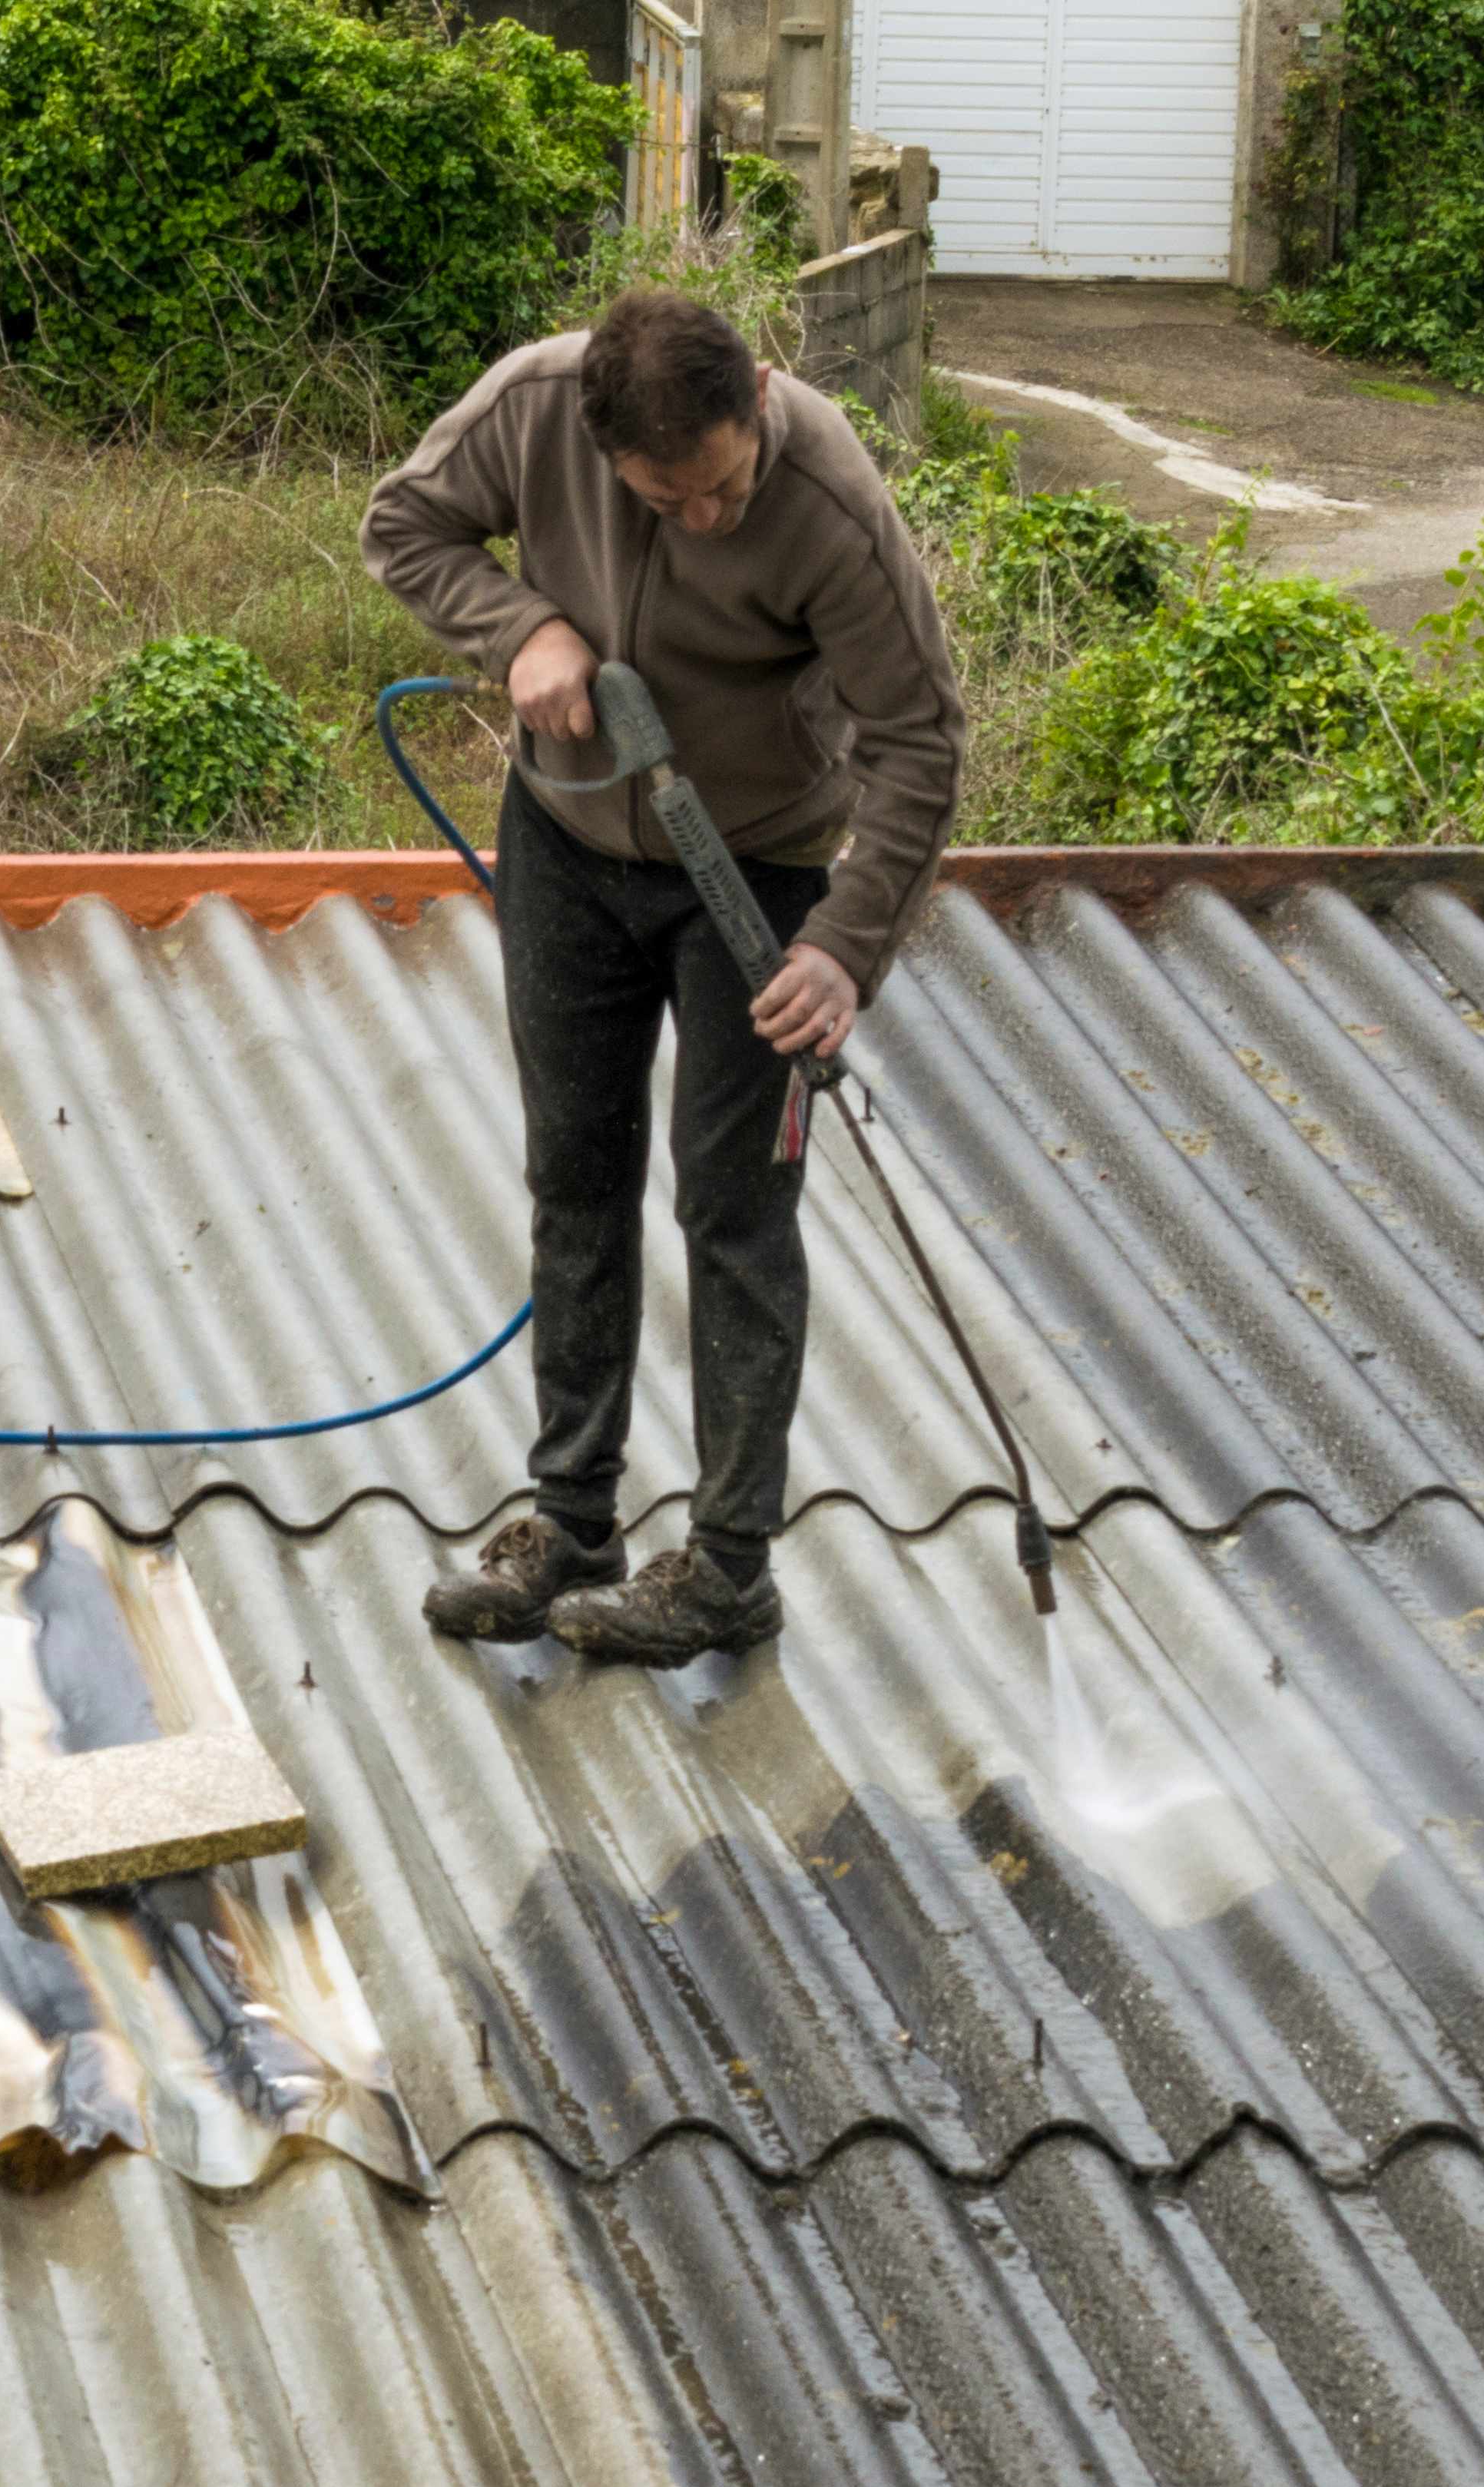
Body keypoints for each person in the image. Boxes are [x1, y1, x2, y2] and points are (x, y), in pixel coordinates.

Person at [363, 291, 966, 1667]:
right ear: (601, 447)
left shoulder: (824, 501)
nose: (704, 517)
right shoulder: (532, 405)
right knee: (575, 1173)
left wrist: (845, 944)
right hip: (569, 839)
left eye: (722, 485)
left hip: (755, 875)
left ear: (759, 393)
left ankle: (731, 1566)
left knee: (734, 1208)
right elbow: (402, 525)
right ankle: (574, 1520)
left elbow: (920, 739)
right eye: (665, 498)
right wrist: (517, 627)